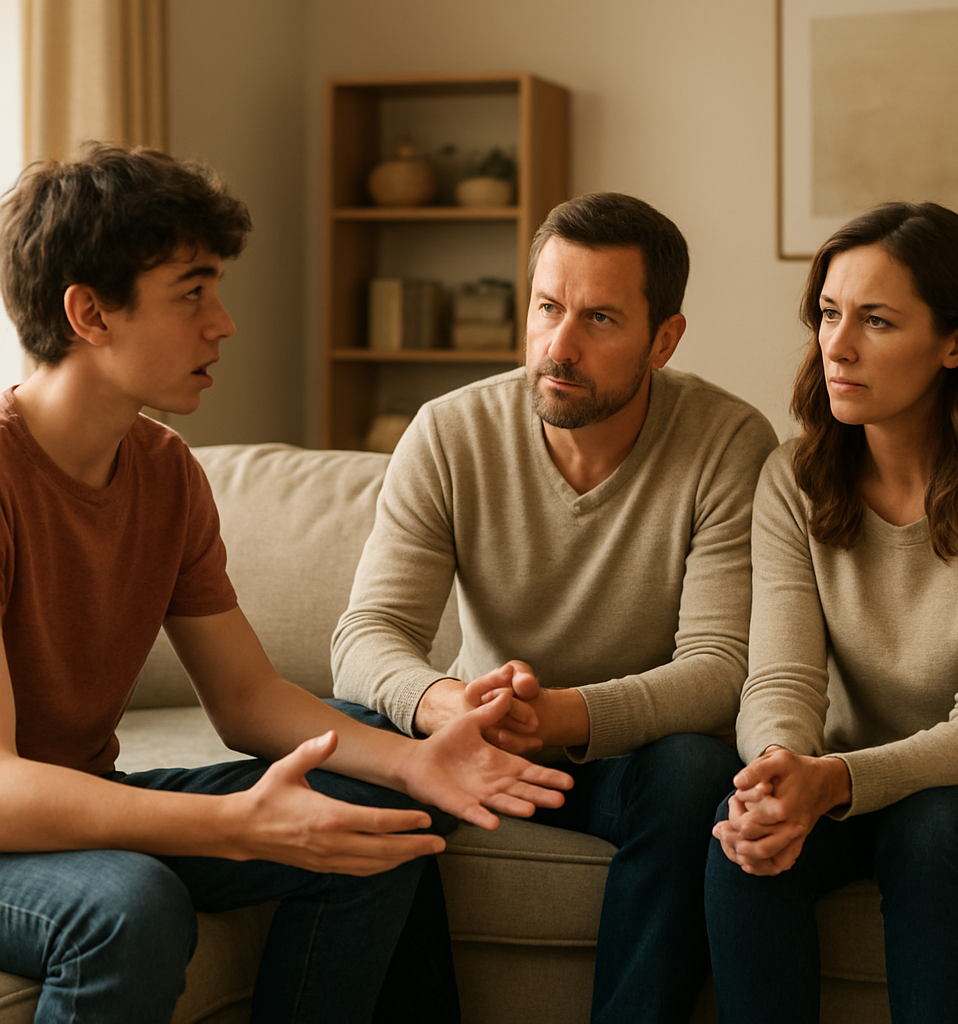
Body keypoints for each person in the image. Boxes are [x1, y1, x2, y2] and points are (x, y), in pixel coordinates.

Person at [0, 141, 574, 1024]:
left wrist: (416, 761)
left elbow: (247, 698)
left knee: (384, 811)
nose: (223, 323)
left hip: (84, 805)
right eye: (192, 293)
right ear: (90, 313)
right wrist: (235, 825)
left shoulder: (164, 472)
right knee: (127, 905)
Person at [332, 191, 778, 1022]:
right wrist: (445, 704)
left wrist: (560, 716)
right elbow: (367, 635)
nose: (558, 347)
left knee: (696, 769)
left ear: (664, 339)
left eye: (600, 319)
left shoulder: (727, 444)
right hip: (475, 741)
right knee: (345, 739)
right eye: (547, 308)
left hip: (625, 754)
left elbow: (721, 671)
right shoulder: (448, 432)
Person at [705, 201, 958, 1024]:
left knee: (933, 831)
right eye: (828, 313)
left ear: (957, 342)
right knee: (742, 835)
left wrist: (834, 782)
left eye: (876, 320)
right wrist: (780, 770)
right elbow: (780, 675)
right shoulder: (793, 477)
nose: (837, 345)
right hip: (849, 775)